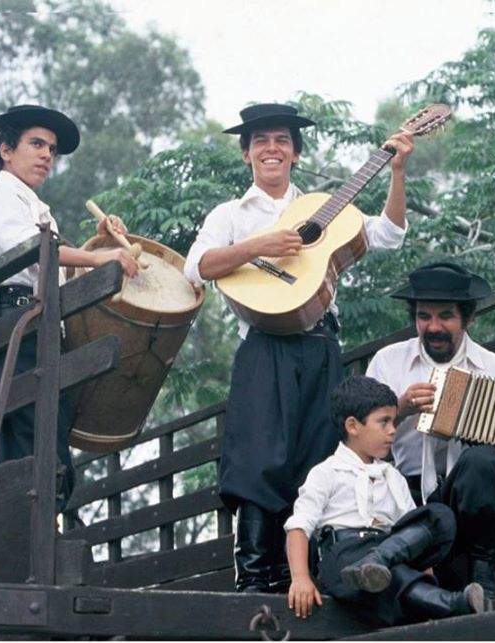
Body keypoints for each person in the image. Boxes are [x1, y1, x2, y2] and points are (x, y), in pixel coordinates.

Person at [183, 103, 414, 593]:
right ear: (246, 153)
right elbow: (196, 267)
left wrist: (397, 171)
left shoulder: (320, 209)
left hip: (322, 343)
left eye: (282, 140)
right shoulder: (230, 214)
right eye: (261, 140)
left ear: (295, 153)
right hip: (264, 344)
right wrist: (258, 245)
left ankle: (304, 574)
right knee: (256, 456)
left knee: (318, 456)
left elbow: (389, 233)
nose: (272, 148)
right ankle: (254, 576)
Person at [0, 104, 139, 508]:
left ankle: (46, 531)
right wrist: (100, 259)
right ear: (6, 150)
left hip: (44, 325)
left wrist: (97, 244)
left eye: (51, 149)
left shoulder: (34, 206)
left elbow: (58, 269)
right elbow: (35, 253)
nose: (47, 154)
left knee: (50, 434)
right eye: (36, 144)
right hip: (17, 324)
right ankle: (33, 541)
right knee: (31, 439)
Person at [365, 261, 495, 596]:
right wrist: (400, 409)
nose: (433, 327)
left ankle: (481, 565)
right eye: (424, 316)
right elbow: (360, 443)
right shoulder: (387, 362)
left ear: (468, 318)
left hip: (477, 502)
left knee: (481, 461)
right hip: (409, 498)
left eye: (446, 316)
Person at [284, 376, 484, 626]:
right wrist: (300, 578)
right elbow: (298, 527)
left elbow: (414, 530)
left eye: (393, 421)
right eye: (384, 422)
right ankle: (455, 604)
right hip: (345, 558)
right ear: (353, 426)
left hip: (390, 557)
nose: (393, 430)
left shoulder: (393, 476)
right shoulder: (326, 472)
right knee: (393, 576)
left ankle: (378, 561)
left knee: (439, 516)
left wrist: (425, 571)